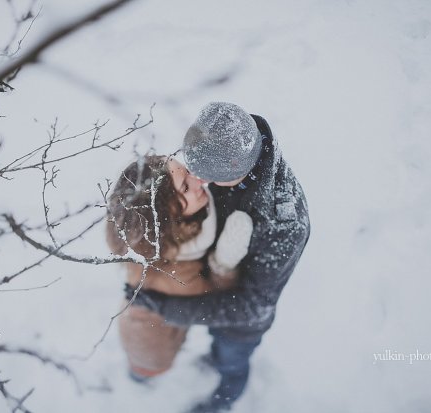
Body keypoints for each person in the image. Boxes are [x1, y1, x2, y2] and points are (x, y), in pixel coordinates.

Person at [126, 102, 311, 412]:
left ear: (236, 167)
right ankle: (212, 357)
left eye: (209, 178)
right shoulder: (223, 138)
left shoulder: (284, 224)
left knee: (232, 361)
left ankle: (221, 402)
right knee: (216, 350)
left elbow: (253, 308)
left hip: (239, 324)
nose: (200, 183)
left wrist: (170, 308)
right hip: (207, 288)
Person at [106, 155, 254, 381]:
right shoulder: (173, 277)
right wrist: (224, 262)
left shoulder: (147, 238)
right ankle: (141, 377)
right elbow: (218, 298)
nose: (199, 180)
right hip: (150, 344)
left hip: (143, 322)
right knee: (146, 368)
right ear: (168, 217)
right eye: (185, 186)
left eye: (186, 170)